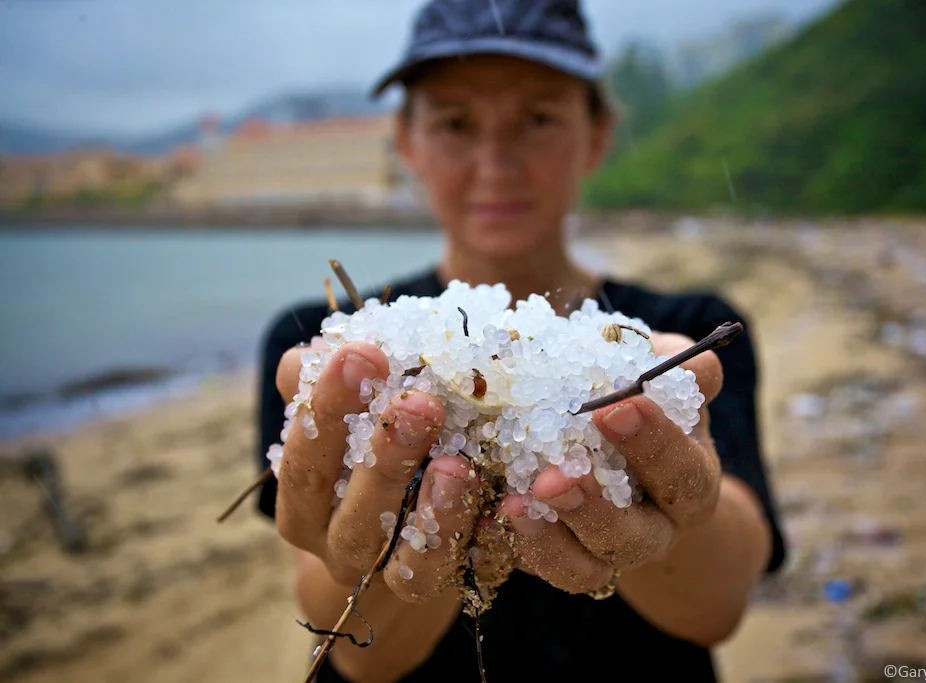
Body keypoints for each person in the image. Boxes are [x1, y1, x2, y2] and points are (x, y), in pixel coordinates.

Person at [254, 1, 787, 681]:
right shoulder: (329, 350)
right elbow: (365, 653)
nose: (496, 162)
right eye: (454, 122)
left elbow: (719, 608)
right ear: (407, 141)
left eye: (537, 119)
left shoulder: (674, 331)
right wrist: (388, 553)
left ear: (597, 135)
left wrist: (677, 507)